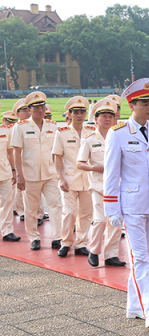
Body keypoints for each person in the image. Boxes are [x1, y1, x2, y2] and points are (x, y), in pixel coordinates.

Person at [104, 78, 149, 328]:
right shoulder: (118, 134)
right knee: (140, 259)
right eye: (145, 103)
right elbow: (111, 175)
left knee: (146, 256)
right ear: (131, 105)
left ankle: (133, 306)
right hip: (132, 205)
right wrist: (112, 208)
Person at [10, 92, 63, 251]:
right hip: (30, 174)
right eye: (37, 108)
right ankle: (34, 237)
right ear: (29, 109)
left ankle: (57, 238)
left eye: (43, 107)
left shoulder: (53, 126)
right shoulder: (21, 127)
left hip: (50, 173)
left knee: (55, 206)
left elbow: (58, 151)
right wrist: (19, 174)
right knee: (31, 209)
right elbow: (16, 152)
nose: (41, 110)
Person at [76, 98, 126, 267]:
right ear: (96, 118)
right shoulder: (89, 139)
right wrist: (94, 168)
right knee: (100, 220)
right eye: (103, 116)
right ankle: (94, 251)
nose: (107, 119)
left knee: (116, 221)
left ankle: (111, 254)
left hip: (118, 186)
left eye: (110, 116)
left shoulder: (119, 136)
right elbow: (79, 163)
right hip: (98, 186)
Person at [52, 97, 94, 258]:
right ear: (69, 114)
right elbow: (57, 157)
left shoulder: (90, 131)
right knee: (69, 212)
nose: (79, 115)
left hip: (87, 179)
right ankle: (66, 242)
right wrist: (60, 177)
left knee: (86, 213)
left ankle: (82, 243)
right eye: (76, 112)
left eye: (82, 112)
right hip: (69, 178)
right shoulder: (61, 133)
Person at [0, 111, 18, 242]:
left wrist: (13, 170)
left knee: (7, 202)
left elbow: (10, 152)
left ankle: (7, 231)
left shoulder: (5, 131)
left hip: (4, 172)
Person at [11, 100, 29, 222]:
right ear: (17, 113)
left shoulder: (31, 126)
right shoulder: (14, 128)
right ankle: (22, 211)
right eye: (24, 111)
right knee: (20, 189)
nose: (27, 113)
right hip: (18, 161)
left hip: (31, 162)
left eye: (28, 110)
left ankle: (37, 213)